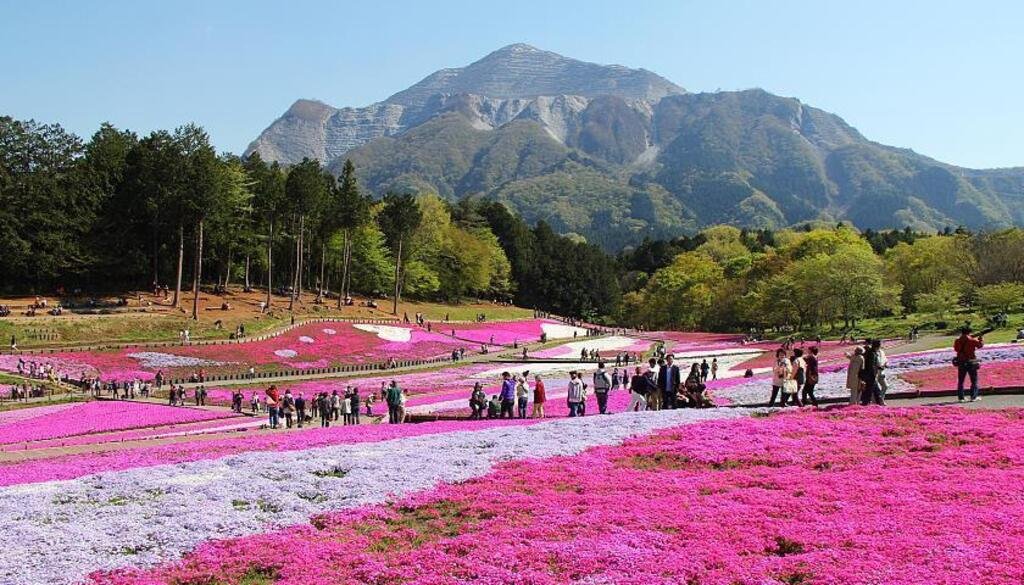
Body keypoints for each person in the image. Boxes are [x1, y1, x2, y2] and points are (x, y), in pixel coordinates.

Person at [954, 327, 985, 402]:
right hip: (972, 360)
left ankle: (961, 398)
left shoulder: (957, 340)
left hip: (961, 361)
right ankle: (973, 397)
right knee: (974, 380)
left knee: (961, 381)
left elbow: (956, 349)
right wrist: (980, 338)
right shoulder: (972, 340)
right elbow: (980, 345)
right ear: (969, 332)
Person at [860, 339, 885, 406]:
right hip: (871, 375)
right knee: (870, 390)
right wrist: (875, 371)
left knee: (874, 390)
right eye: (880, 345)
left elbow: (873, 364)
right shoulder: (872, 353)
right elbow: (871, 366)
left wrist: (879, 367)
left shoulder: (872, 352)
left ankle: (877, 403)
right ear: (878, 346)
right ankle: (866, 404)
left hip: (871, 375)